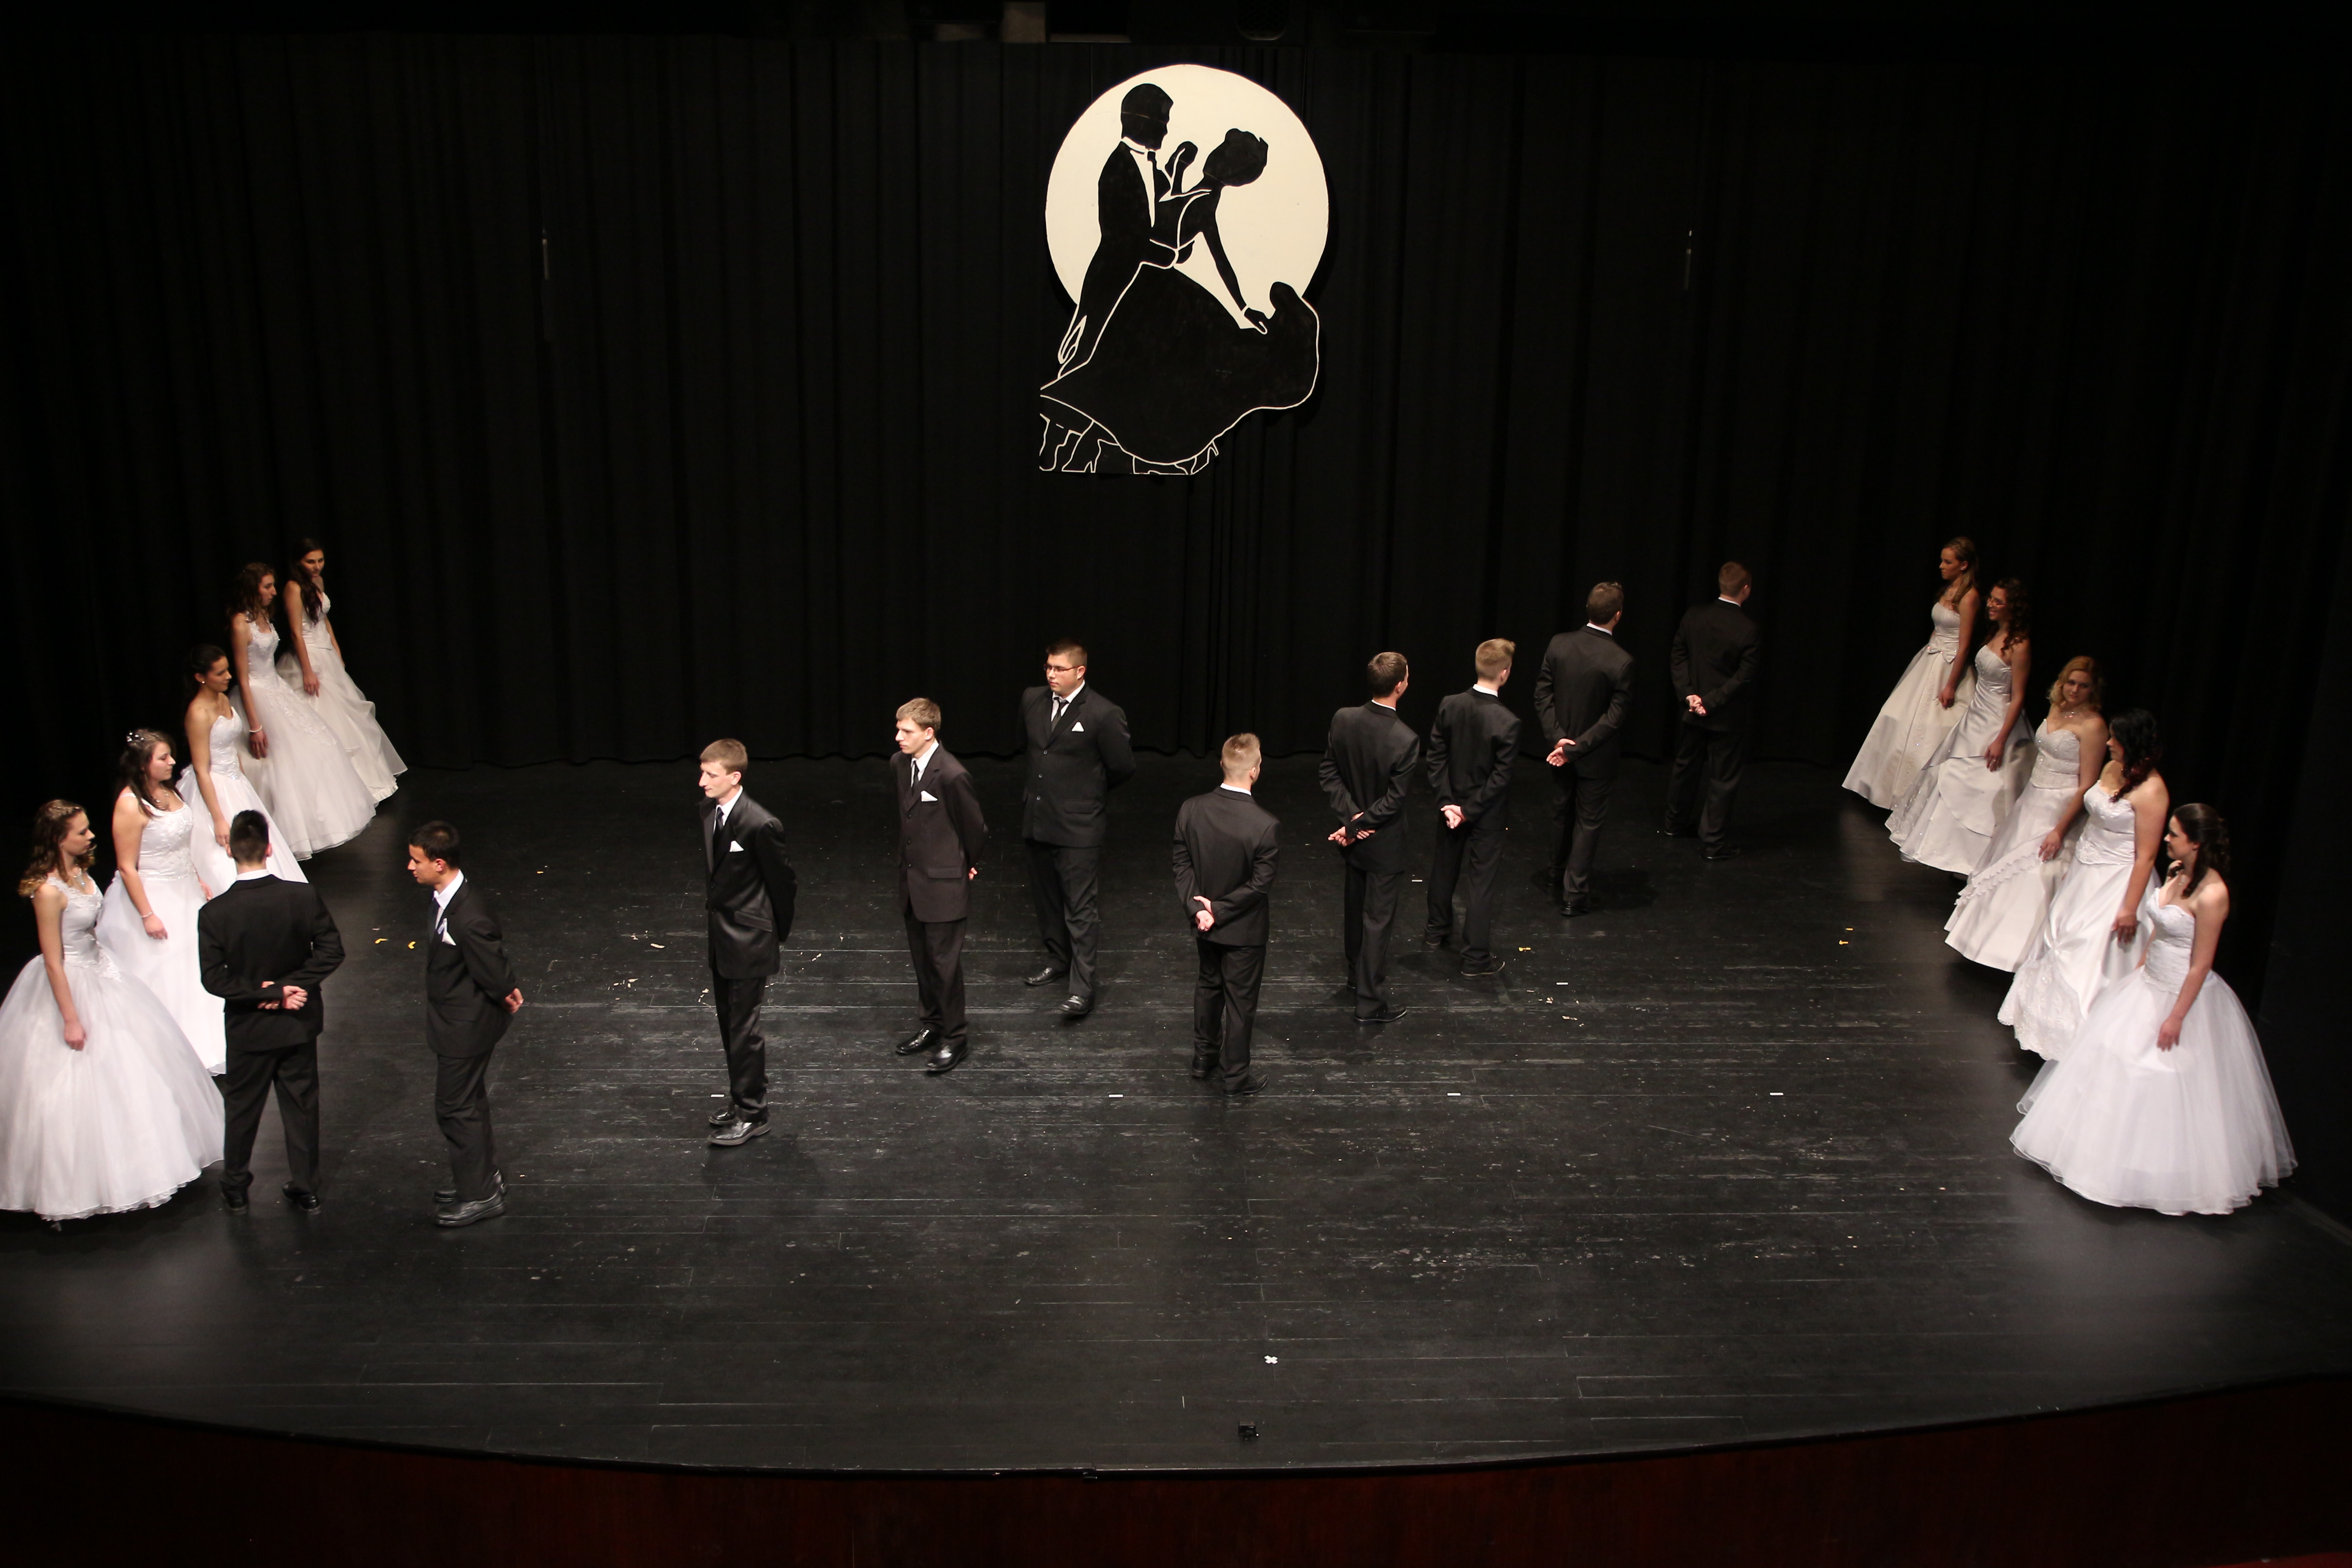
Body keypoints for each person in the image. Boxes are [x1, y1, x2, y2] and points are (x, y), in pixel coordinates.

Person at [2011, 805, 2294, 1215]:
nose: (2166, 839)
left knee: (2158, 1073)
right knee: (2111, 1055)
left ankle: (2152, 1171)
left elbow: (2200, 965)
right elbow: (2160, 931)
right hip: (2148, 983)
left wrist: (2176, 1016)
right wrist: (2140, 969)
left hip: (2182, 995)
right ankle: (2102, 1153)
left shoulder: (2213, 894)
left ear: (2196, 843)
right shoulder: (2178, 872)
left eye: (2175, 834)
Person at [0, 801, 220, 1224]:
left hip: (103, 971)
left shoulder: (82, 875)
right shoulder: (48, 892)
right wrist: (71, 1018)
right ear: (58, 839)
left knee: (135, 1067)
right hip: (71, 982)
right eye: (81, 832)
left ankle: (145, 1165)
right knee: (73, 1085)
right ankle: (71, 1188)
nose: (91, 837)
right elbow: (54, 961)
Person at [1999, 709, 2168, 1059]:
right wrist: (2076, 863)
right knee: (2060, 934)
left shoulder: (2153, 791)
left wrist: (2129, 909)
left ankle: (2085, 1040)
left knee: (2091, 950)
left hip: (2117, 881)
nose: (2108, 743)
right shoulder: (2112, 769)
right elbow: (2093, 821)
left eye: (2116, 739)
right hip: (2085, 872)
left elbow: (2147, 856)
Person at [198, 810, 342, 1214]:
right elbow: (332, 951)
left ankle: (236, 1186)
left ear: (230, 851)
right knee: (301, 1106)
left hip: (249, 1029)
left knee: (242, 1109)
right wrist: (288, 989)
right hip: (297, 1023)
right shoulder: (302, 896)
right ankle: (306, 1187)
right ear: (269, 849)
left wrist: (269, 992)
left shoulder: (215, 913)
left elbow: (214, 979)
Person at [1945, 657, 2108, 970]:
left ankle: (2022, 955)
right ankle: (1984, 942)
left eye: (2083, 685)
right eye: (2071, 683)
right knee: (2007, 866)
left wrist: (2060, 830)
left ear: (2093, 689)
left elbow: (2087, 785)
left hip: (2060, 807)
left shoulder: (2094, 726)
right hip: (2033, 799)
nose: (2075, 690)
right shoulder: (2056, 709)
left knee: (2038, 873)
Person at [405, 821, 522, 1227]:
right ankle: (482, 1178)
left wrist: (505, 990)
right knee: (469, 1101)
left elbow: (492, 965)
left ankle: (480, 1195)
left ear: (439, 863)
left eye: (416, 861)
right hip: (459, 1021)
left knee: (455, 1107)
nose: (410, 867)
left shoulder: (468, 915)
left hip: (465, 1027)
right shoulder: (449, 900)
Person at [1018, 639, 1135, 1019]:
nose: (1051, 674)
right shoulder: (1033, 700)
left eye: (1059, 669)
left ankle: (1082, 990)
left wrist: (1085, 796)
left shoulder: (1103, 713)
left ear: (1080, 671)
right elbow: (1035, 752)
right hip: (1038, 818)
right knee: (1047, 899)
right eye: (1048, 667)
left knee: (1080, 908)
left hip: (1078, 825)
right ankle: (1058, 959)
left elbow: (1122, 767)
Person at [95, 730, 224, 1073]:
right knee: (166, 969)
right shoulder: (130, 804)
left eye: (171, 755)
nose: (172, 762)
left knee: (197, 964)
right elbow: (127, 866)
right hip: (154, 896)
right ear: (143, 764)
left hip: (185, 890)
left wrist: (196, 876)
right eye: (163, 758)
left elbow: (178, 845)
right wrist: (147, 915)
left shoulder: (169, 791)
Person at [1887, 577, 2034, 874]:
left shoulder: (2019, 645)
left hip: (1997, 720)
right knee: (1951, 773)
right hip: (1976, 715)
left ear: (2013, 607)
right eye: (1991, 599)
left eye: (1998, 601)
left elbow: (2018, 697)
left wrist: (2001, 739)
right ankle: (1945, 847)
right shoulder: (1995, 633)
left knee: (1986, 784)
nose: (1990, 605)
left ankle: (1975, 856)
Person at [228, 563, 375, 858]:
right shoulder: (240, 624)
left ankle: (319, 822)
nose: (274, 592)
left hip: (276, 687)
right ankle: (279, 833)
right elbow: (243, 678)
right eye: (267, 586)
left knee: (320, 745)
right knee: (278, 763)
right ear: (253, 589)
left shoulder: (263, 617)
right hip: (257, 695)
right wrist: (255, 725)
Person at [696, 739, 798, 1147]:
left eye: (711, 775)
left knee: (744, 1029)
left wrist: (774, 934)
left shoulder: (761, 824)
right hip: (723, 938)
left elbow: (783, 884)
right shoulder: (710, 811)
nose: (702, 782)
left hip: (750, 940)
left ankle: (754, 1113)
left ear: (734, 777)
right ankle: (741, 1099)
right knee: (729, 1023)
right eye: (702, 772)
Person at [1172, 734, 1280, 1095]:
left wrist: (1198, 909)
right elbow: (1259, 886)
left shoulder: (1191, 809)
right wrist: (1217, 911)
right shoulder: (1265, 825)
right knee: (1240, 1001)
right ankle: (1235, 1076)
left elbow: (1182, 864)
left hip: (1204, 925)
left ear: (1222, 765)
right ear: (1256, 770)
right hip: (1243, 930)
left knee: (1209, 986)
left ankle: (1203, 1059)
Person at [1319, 652, 1421, 1024]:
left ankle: (1354, 977)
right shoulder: (1406, 739)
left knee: (1354, 909)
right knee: (1376, 920)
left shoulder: (1343, 718)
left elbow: (1329, 772)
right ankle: (1370, 1002)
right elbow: (1394, 800)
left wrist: (1351, 819)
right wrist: (1359, 823)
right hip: (1383, 843)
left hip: (1356, 839)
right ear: (1401, 686)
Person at [1843, 538, 1980, 806]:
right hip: (1931, 658)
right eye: (1942, 560)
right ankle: (1884, 789)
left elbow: (1964, 646)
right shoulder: (1948, 590)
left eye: (1948, 562)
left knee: (1933, 727)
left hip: (1949, 666)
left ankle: (1920, 799)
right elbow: (1939, 629)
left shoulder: (1970, 596)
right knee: (1896, 714)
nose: (1941, 566)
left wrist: (1951, 685)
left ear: (1964, 565)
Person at [891, 700, 987, 1075]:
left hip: (944, 884)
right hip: (913, 882)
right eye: (898, 729)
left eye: (907, 732)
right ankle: (932, 1024)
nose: (898, 737)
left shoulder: (951, 774)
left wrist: (967, 863)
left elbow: (975, 827)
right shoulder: (900, 765)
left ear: (929, 733)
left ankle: (955, 1037)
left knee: (944, 965)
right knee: (923, 961)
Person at [1058, 81, 1174, 373]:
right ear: (1143, 121)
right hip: (1112, 274)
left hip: (1130, 276)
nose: (1166, 131)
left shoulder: (1148, 165)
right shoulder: (1118, 168)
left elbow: (1155, 205)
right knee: (1086, 354)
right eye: (1163, 122)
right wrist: (1168, 256)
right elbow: (1123, 237)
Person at [1533, 583, 1635, 916]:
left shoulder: (1559, 644)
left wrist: (1559, 740)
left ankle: (1555, 873)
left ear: (1588, 609)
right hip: (1594, 758)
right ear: (1618, 615)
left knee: (1562, 812)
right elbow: (1613, 719)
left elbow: (1542, 696)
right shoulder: (1621, 661)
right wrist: (1575, 749)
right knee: (1587, 822)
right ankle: (1574, 895)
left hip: (1560, 752)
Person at [1423, 639, 1520, 977]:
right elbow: (1499, 778)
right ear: (1505, 673)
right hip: (1485, 814)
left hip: (1451, 808)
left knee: (1444, 867)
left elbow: (1435, 758)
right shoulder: (1508, 721)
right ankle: (1476, 958)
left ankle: (1436, 931)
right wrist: (1469, 809)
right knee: (1481, 883)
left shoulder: (1450, 705)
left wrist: (1448, 803)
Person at [282, 537, 405, 802]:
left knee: (349, 714)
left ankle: (363, 782)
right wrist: (307, 670)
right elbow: (295, 632)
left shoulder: (318, 582)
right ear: (298, 562)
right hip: (309, 655)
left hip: (326, 653)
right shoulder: (293, 587)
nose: (317, 566)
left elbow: (324, 621)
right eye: (310, 562)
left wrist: (337, 652)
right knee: (321, 714)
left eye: (320, 560)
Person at [179, 642, 307, 895]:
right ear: (200, 677)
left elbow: (230, 745)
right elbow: (202, 769)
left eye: (228, 670)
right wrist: (218, 819)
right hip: (214, 786)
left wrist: (244, 780)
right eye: (220, 673)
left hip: (236, 780)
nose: (229, 677)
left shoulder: (224, 699)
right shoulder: (198, 713)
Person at [1663, 563, 1761, 860]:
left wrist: (1689, 695)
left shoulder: (1694, 616)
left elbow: (1678, 655)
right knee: (1723, 779)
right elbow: (1743, 678)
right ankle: (1713, 843)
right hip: (1726, 717)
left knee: (1685, 768)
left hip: (1693, 711)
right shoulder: (1748, 629)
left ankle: (1674, 825)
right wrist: (1712, 701)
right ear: (1746, 589)